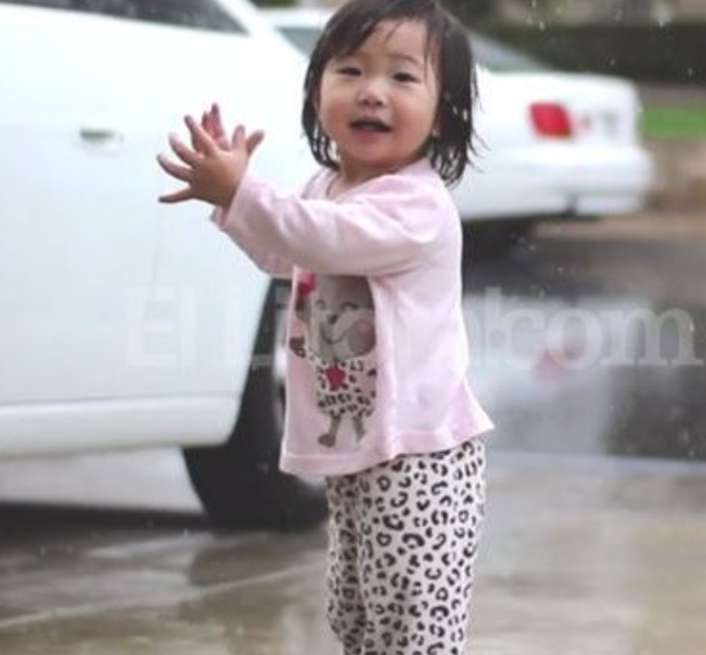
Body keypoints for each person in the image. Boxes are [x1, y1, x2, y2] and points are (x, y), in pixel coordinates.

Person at [155, 0, 493, 652]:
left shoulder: (416, 206)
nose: (373, 92)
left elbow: (324, 239)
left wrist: (243, 193)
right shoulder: (327, 186)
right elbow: (288, 251)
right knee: (355, 611)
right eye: (351, 70)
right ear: (317, 91)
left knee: (412, 625)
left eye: (403, 77)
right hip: (359, 448)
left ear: (443, 109)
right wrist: (236, 200)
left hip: (420, 459)